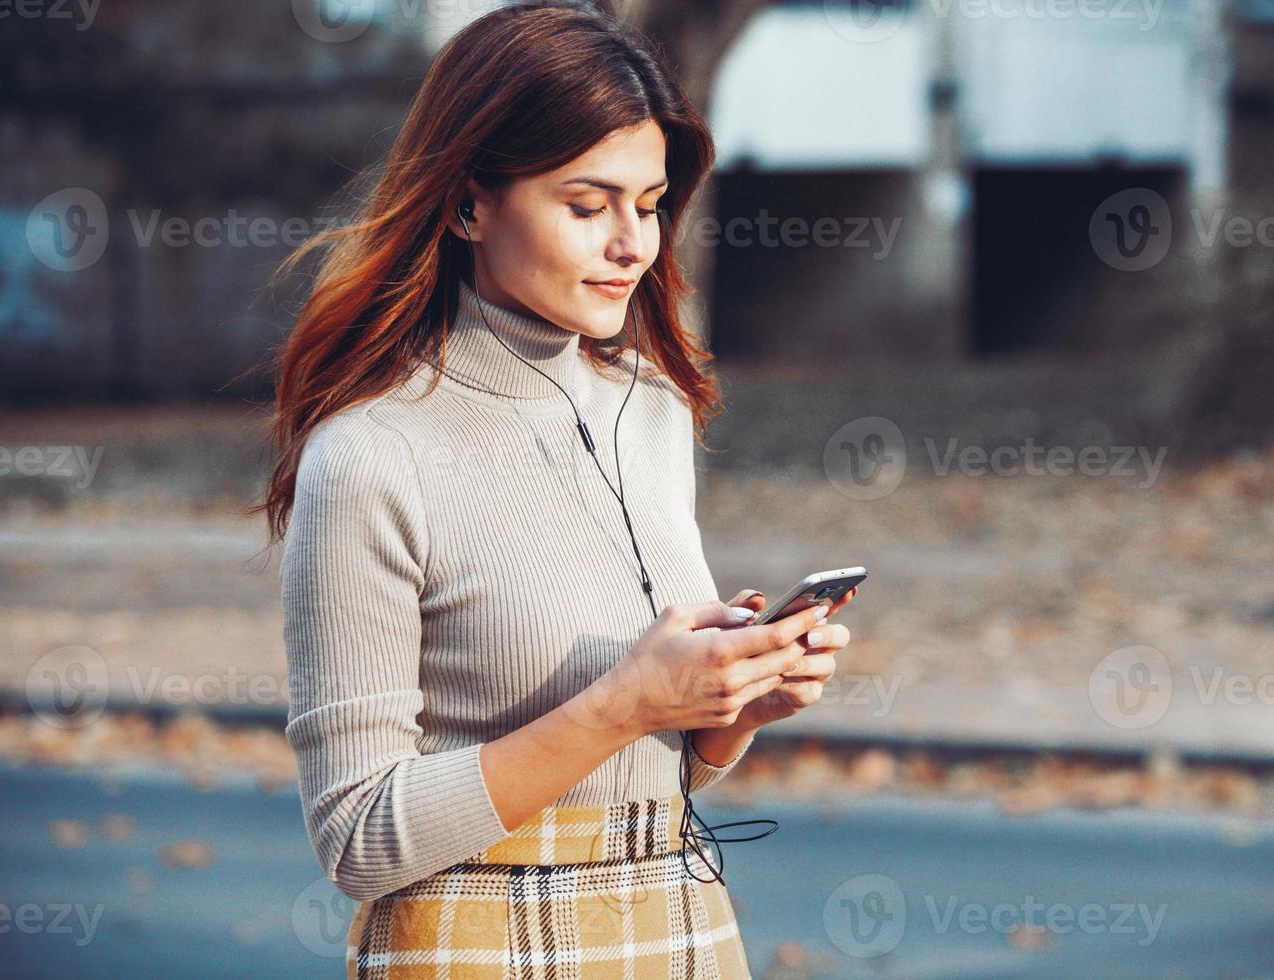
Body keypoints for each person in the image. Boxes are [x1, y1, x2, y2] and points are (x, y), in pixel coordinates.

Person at [259, 3, 854, 976]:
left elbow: (646, 757)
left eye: (651, 202)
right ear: (467, 204)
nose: (633, 244)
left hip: (677, 926)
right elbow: (359, 839)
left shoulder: (653, 409)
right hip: (474, 945)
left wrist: (726, 704)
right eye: (588, 205)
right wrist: (623, 701)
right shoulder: (370, 454)